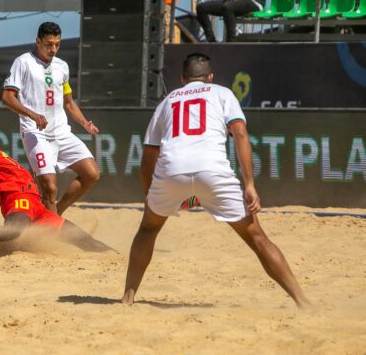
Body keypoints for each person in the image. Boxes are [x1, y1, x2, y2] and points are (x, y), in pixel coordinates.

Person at [122, 53, 311, 308]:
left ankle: (128, 297)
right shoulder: (222, 93)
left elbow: (148, 155)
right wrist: (250, 185)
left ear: (182, 78)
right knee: (257, 237)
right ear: (210, 78)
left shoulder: (167, 101)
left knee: (148, 229)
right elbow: (240, 134)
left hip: (171, 169)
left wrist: (149, 197)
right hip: (212, 170)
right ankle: (302, 301)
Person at [0, 113, 113, 252]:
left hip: (35, 205)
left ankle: (113, 255)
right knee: (14, 231)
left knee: (80, 238)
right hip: (17, 198)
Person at [2, 22, 100, 215]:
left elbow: (69, 103)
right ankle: (49, 235)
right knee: (50, 187)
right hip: (35, 133)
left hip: (61, 133)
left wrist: (84, 123)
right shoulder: (23, 62)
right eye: (48, 44)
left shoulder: (62, 67)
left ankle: (57, 214)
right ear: (38, 41)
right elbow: (6, 97)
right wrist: (32, 114)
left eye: (57, 44)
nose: (53, 49)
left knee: (92, 174)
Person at [196, 0, 267, 42]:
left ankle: (230, 43)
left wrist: (234, 0)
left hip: (254, 1)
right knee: (201, 8)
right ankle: (211, 42)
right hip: (235, 0)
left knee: (228, 7)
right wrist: (228, 0)